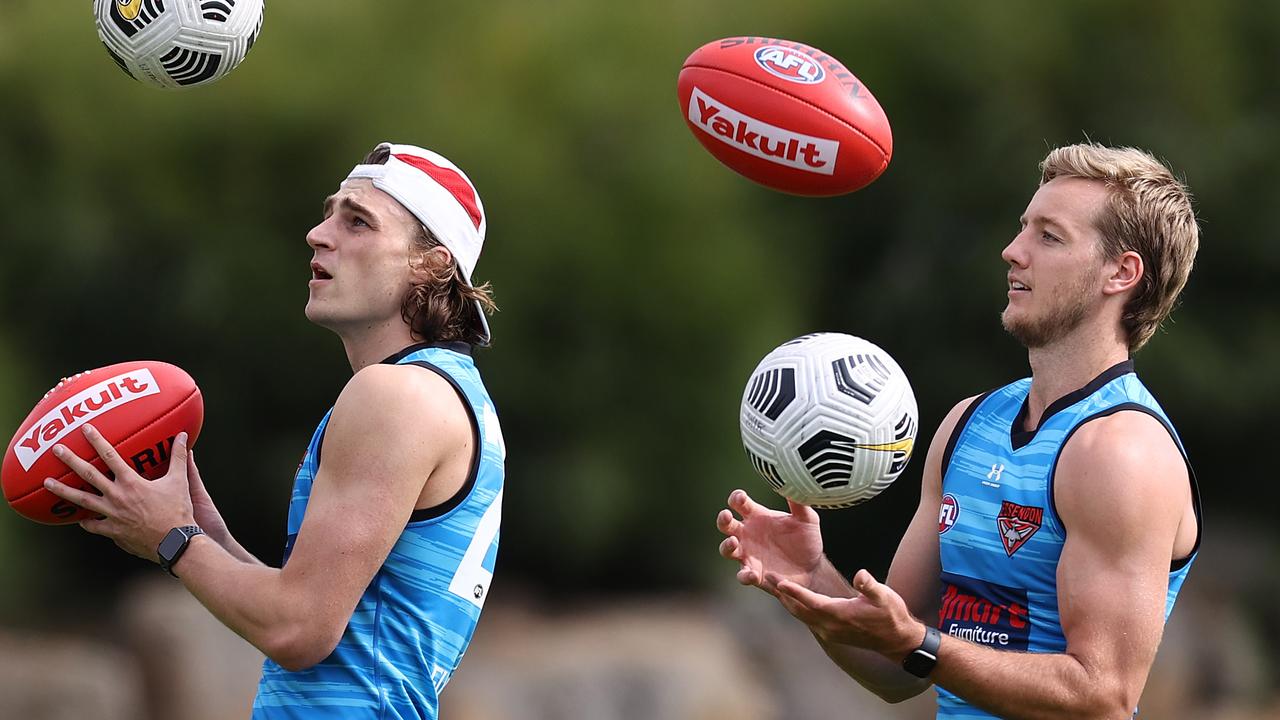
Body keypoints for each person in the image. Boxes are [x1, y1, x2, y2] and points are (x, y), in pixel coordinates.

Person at [717, 142, 1201, 719]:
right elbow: (898, 666)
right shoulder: (969, 424)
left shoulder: (1120, 452)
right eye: (1024, 229)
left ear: (1120, 273)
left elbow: (1101, 696)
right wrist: (813, 578)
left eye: (1049, 237)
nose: (1012, 251)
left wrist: (918, 645)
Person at [43, 142, 507, 719]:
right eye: (329, 211)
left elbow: (299, 629)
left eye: (357, 221)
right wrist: (201, 530)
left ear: (431, 264)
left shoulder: (395, 396)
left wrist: (172, 539)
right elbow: (325, 622)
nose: (318, 233)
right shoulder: (445, 392)